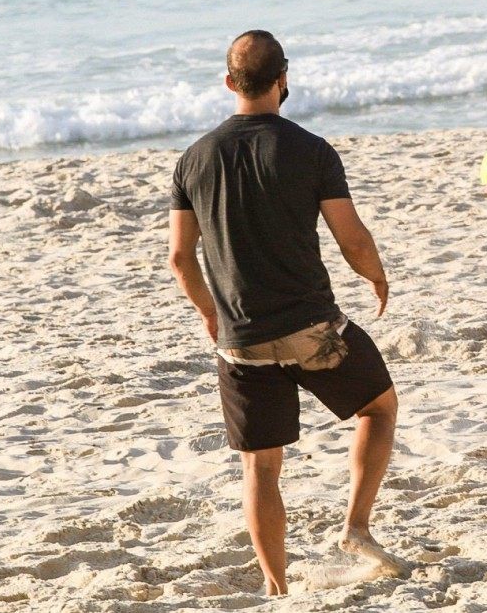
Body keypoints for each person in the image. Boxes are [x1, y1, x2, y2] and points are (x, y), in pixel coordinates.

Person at [167, 30, 403, 595]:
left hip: (240, 339)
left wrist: (208, 312)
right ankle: (356, 527)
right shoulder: (311, 150)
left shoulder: (193, 159)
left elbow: (179, 258)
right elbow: (352, 238)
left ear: (229, 82)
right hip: (312, 331)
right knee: (379, 408)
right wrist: (375, 274)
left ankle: (276, 586)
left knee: (261, 468)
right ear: (283, 79)